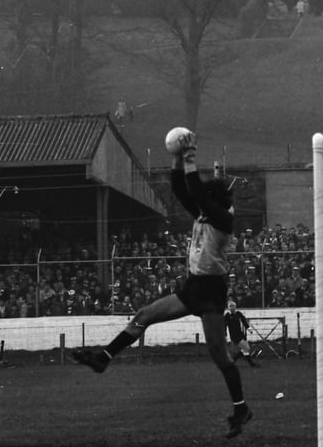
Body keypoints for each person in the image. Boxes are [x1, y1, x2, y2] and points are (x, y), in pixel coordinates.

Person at [72, 131, 252, 438]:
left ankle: (241, 409)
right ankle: (102, 359)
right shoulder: (207, 213)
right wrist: (175, 162)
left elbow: (195, 191)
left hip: (210, 292)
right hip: (194, 285)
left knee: (219, 355)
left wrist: (190, 158)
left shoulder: (222, 219)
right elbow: (183, 192)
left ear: (214, 200)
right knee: (144, 315)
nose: (200, 201)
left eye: (206, 198)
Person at [224, 300, 259, 368]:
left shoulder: (238, 314)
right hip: (234, 335)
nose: (232, 307)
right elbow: (224, 325)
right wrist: (225, 335)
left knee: (246, 349)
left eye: (233, 306)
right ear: (228, 307)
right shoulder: (227, 316)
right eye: (230, 306)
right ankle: (252, 364)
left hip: (241, 334)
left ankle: (233, 360)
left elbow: (244, 321)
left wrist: (249, 329)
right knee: (246, 348)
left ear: (235, 307)